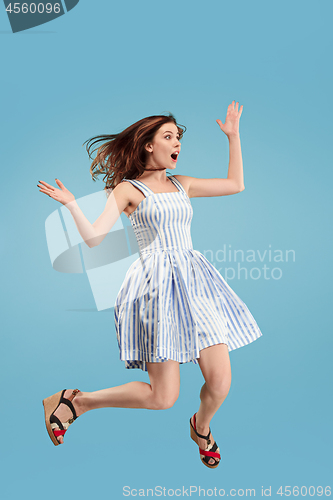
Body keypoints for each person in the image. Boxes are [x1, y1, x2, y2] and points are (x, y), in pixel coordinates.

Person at [38, 101, 262, 468]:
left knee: (220, 383)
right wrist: (73, 205)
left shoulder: (182, 183)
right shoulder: (128, 190)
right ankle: (77, 402)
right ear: (148, 144)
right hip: (155, 288)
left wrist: (233, 137)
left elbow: (236, 184)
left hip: (195, 280)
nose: (177, 144)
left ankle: (200, 426)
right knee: (162, 397)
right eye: (169, 137)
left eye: (179, 138)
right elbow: (95, 238)